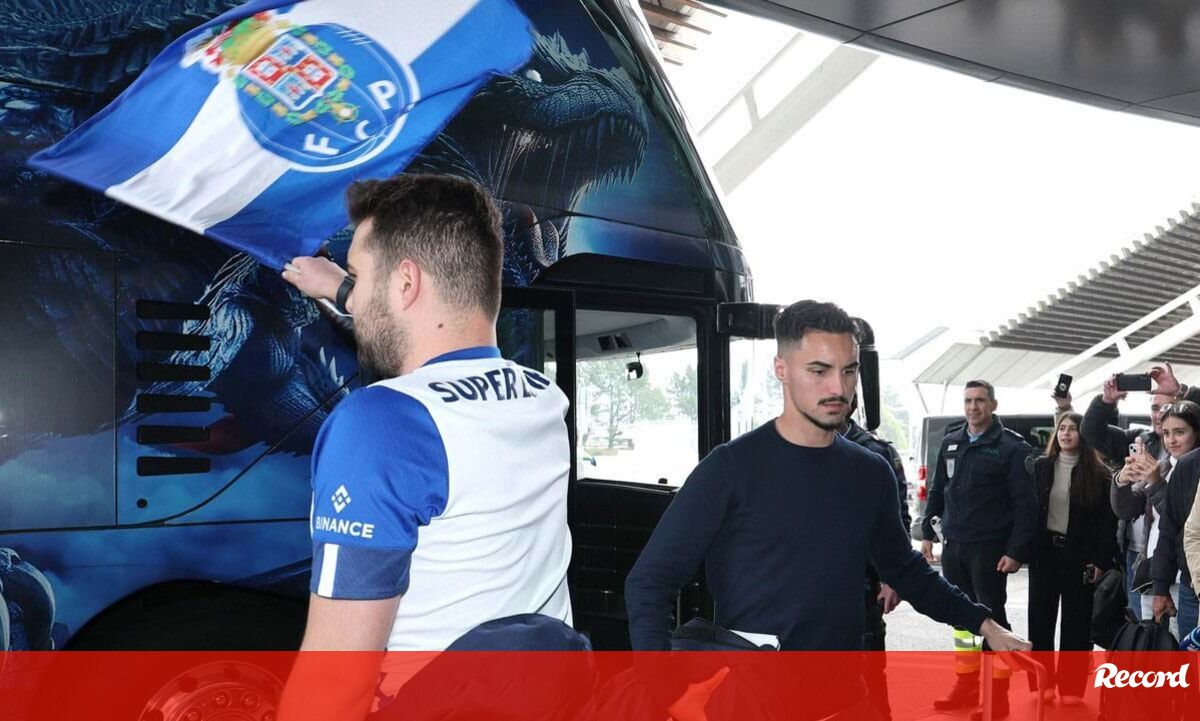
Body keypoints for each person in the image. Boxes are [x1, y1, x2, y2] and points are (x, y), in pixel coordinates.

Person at [624, 300, 1030, 721]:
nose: (838, 387)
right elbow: (650, 581)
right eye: (819, 371)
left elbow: (905, 570)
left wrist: (984, 624)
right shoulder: (730, 469)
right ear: (781, 369)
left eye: (849, 371)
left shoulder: (869, 472)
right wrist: (667, 691)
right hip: (753, 703)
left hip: (846, 700)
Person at [276, 174, 573, 721]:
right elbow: (422, 342)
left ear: (407, 283)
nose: (357, 294)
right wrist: (339, 288)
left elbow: (334, 686)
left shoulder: (381, 424)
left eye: (362, 276)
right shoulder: (542, 400)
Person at [920, 380, 1037, 720]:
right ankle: (967, 686)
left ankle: (997, 699)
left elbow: (1026, 505)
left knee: (993, 620)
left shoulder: (1011, 448)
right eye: (968, 400)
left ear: (993, 404)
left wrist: (1016, 551)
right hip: (954, 546)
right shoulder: (951, 441)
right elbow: (938, 489)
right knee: (960, 619)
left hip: (990, 551)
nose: (973, 407)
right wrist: (927, 532)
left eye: (980, 400)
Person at [1082, 364, 1200, 621]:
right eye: (1155, 409)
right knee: (1148, 635)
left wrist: (1180, 391)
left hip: (1181, 565)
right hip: (1141, 557)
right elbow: (1091, 433)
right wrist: (1106, 401)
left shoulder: (1192, 460)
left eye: (1167, 408)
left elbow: (1180, 519)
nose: (1159, 416)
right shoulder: (1141, 441)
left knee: (1180, 637)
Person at [1027, 413, 1118, 705]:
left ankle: (1070, 688)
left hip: (1080, 556)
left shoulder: (1100, 474)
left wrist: (1100, 561)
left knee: (1076, 623)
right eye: (1062, 428)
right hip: (1044, 553)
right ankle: (1042, 684)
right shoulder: (1040, 467)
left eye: (1073, 429)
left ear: (1084, 435)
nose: (1066, 434)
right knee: (1040, 619)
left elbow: (1107, 524)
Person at [841, 409, 909, 721]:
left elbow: (898, 522)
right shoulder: (794, 447)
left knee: (869, 674)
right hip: (808, 589)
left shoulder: (876, 453)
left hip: (861, 583)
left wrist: (893, 579)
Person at [1143, 401, 1200, 640]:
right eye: (1167, 433)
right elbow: (1169, 530)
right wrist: (1160, 588)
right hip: (1190, 585)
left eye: (1179, 432)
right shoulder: (1186, 466)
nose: (1172, 440)